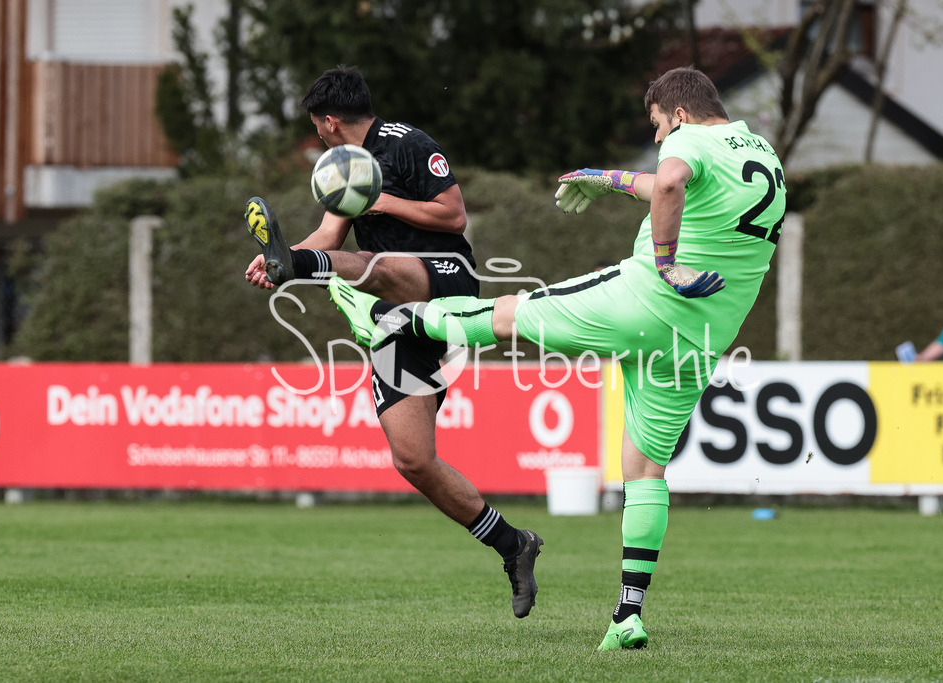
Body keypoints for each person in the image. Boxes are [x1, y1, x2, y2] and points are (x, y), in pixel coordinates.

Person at [327, 66, 786, 650]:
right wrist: (605, 178)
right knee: (644, 473)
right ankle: (627, 615)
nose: (657, 139)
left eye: (656, 126)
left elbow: (670, 180)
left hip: (647, 301)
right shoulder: (761, 153)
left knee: (513, 312)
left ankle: (393, 317)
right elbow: (666, 184)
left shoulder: (690, 140)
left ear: (679, 113)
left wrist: (667, 261)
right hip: (700, 340)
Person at [244, 66, 543, 619]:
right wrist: (279, 262)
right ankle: (513, 545)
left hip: (444, 279)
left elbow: (453, 215)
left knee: (371, 267)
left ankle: (301, 267)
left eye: (316, 126)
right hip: (398, 319)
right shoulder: (346, 171)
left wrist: (381, 205)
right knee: (413, 458)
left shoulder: (407, 145)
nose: (318, 135)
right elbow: (329, 240)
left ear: (328, 120)